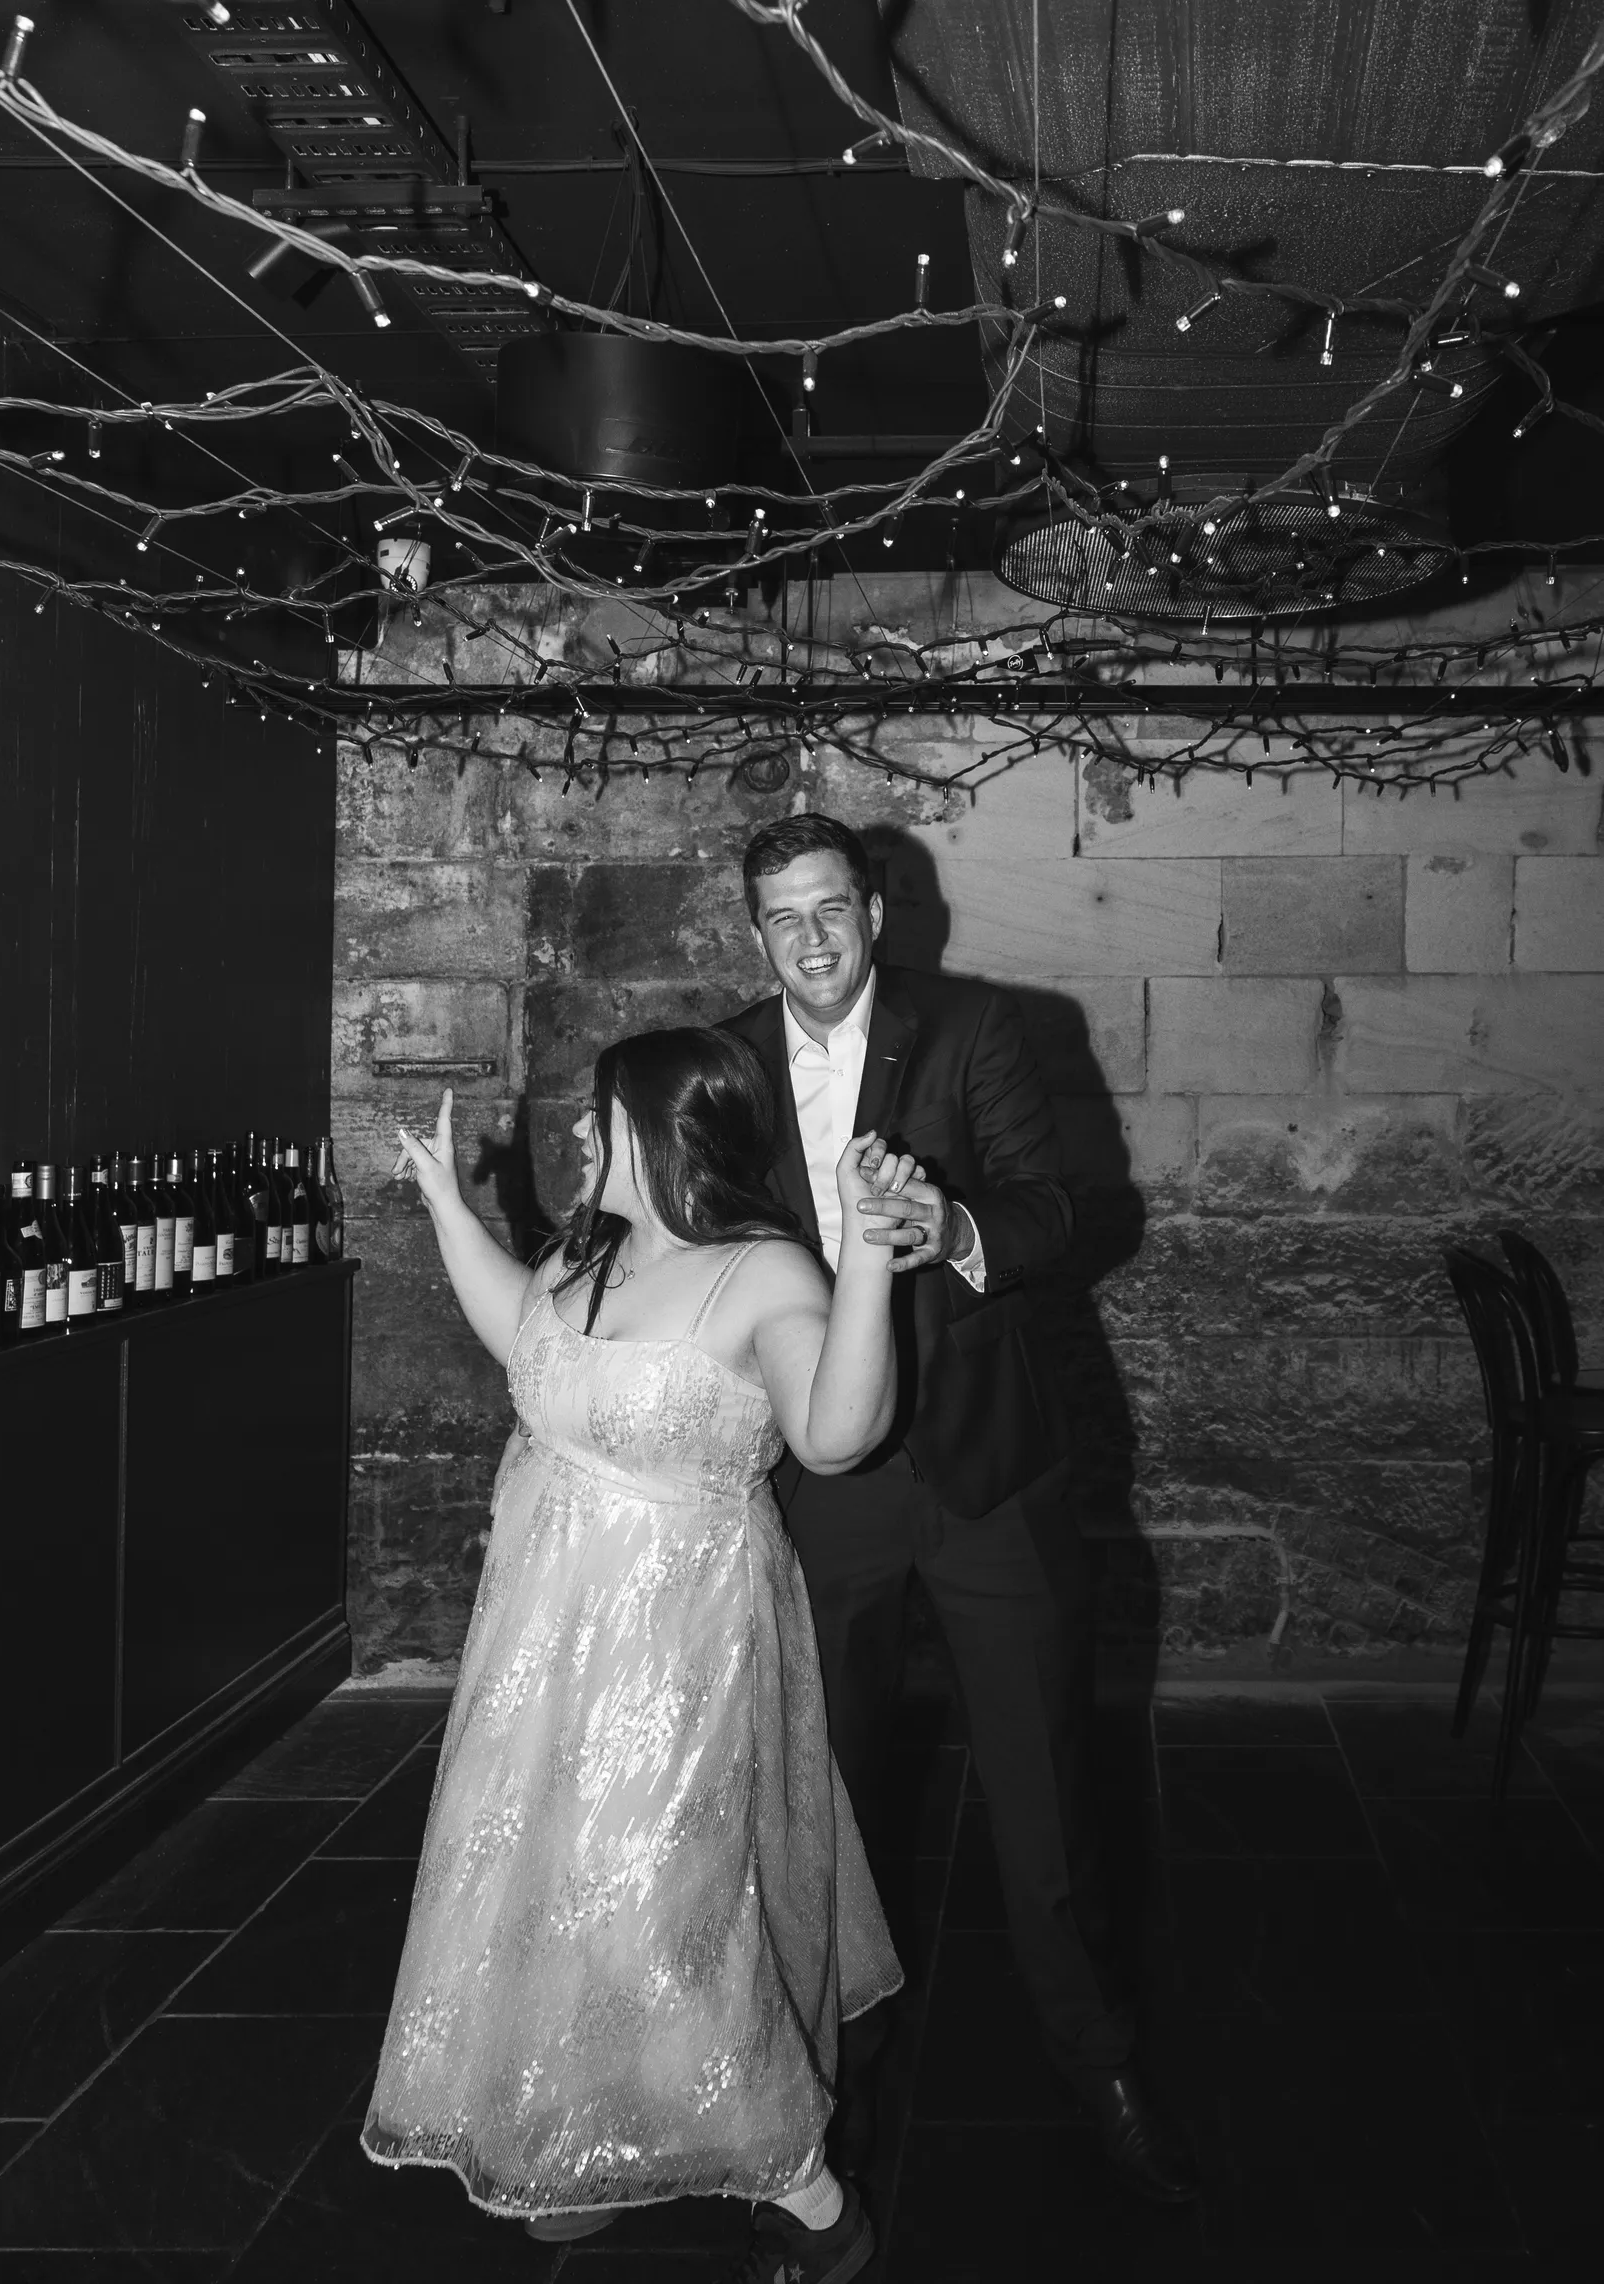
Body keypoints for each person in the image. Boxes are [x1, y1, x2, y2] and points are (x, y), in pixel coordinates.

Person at [361, 1025, 921, 2282]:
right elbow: (524, 1341)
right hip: (544, 1649)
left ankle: (807, 2188)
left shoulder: (764, 1274)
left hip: (676, 1655)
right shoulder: (589, 1252)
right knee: (561, 1889)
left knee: (661, 1911)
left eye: (595, 1119)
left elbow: (837, 1435)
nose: (575, 1137)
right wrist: (450, 1204)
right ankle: (585, 2131)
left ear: (661, 1133)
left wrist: (869, 1256)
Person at [721, 815, 1199, 2207]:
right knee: (832, 1804)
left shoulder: (977, 1029)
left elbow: (1070, 1210)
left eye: (828, 911)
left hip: (992, 1472)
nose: (807, 942)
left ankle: (1098, 2064)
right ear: (754, 933)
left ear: (873, 909)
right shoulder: (730, 1061)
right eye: (779, 921)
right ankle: (824, 2096)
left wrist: (962, 1231)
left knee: (1045, 1792)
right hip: (825, 1485)